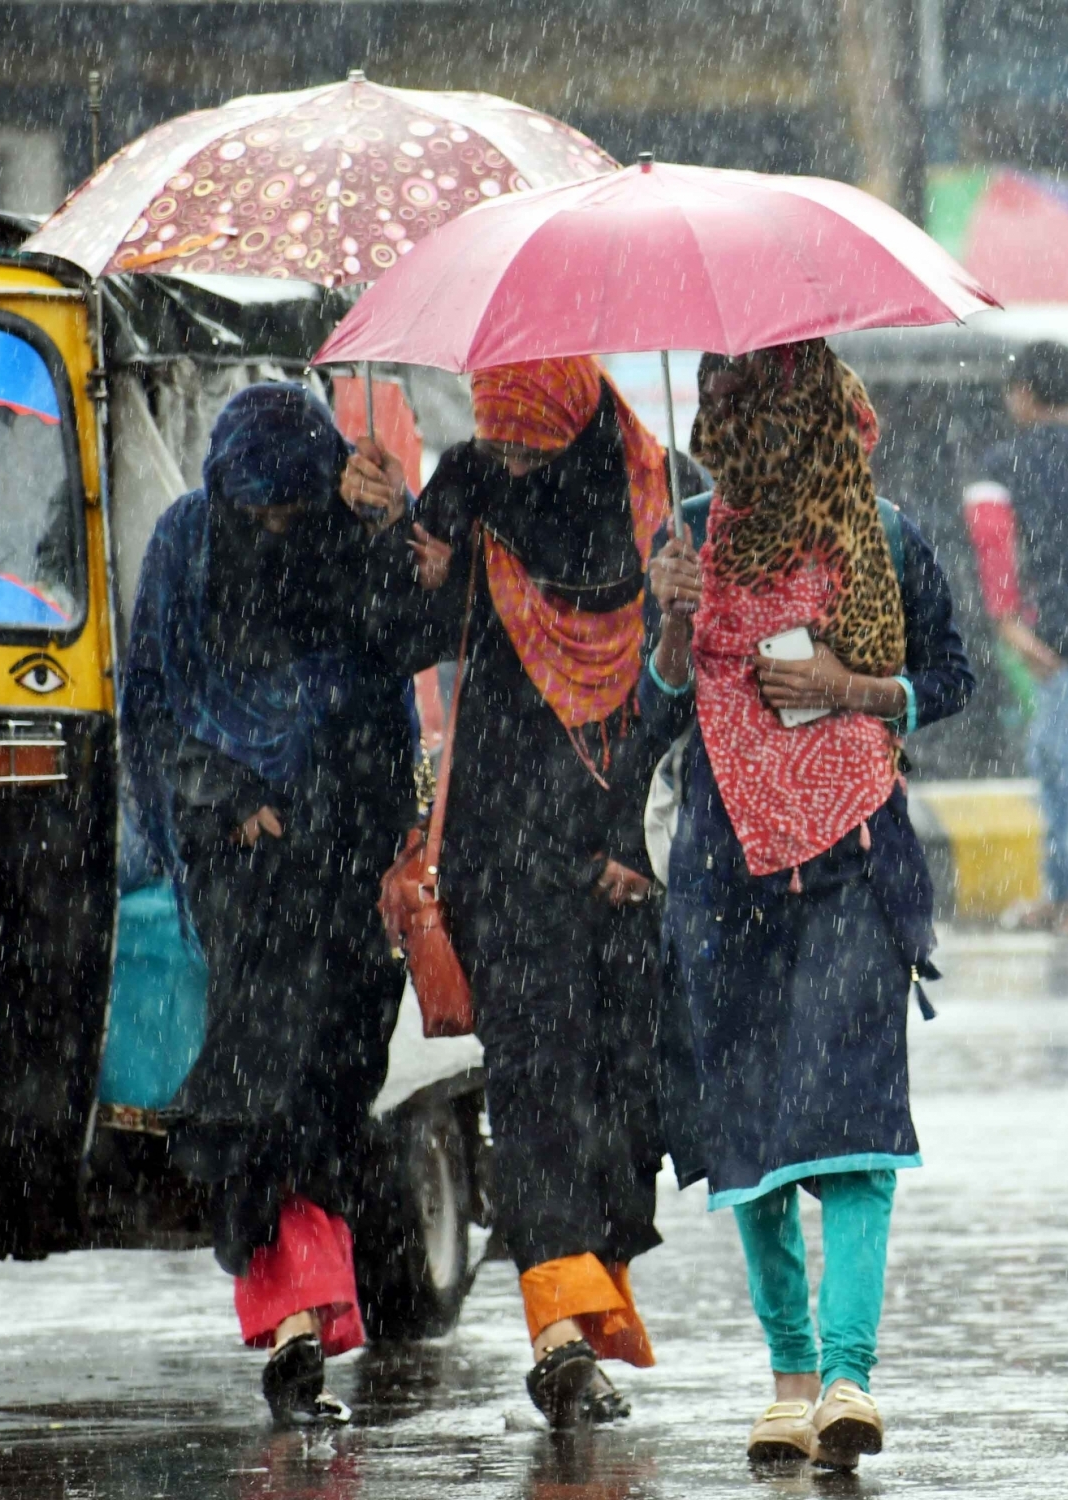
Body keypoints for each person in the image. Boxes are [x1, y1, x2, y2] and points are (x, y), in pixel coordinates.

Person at [346, 357, 696, 1427]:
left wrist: (631, 831)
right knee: (539, 1090)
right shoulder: (470, 484)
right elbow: (398, 638)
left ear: (570, 422)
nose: (505, 456)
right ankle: (555, 1336)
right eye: (492, 436)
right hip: (509, 852)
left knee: (628, 1096)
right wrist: (389, 534)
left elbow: (692, 686)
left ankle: (591, 1306)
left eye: (521, 438)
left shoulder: (667, 496)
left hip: (630, 853)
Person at [644, 342, 974, 1470]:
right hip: (721, 871)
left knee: (851, 1125)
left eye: (760, 410)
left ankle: (845, 1376)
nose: (738, 430)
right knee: (750, 1126)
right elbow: (666, 701)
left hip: (854, 863)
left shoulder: (882, 534)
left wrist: (850, 690)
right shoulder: (688, 535)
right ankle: (788, 1379)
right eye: (724, 409)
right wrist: (665, 619)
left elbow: (949, 680)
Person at [121, 382, 421, 1425]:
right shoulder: (186, 548)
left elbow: (398, 650)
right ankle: (293, 1326)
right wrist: (231, 796)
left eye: (292, 509)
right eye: (261, 516)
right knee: (261, 1088)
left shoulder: (345, 533)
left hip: (344, 858)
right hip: (242, 872)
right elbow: (154, 706)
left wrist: (381, 522)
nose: (275, 531)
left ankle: (311, 1315)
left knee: (332, 1084)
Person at [963, 341, 1068, 930]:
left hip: (1056, 641)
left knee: (1063, 765)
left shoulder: (1002, 464)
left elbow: (994, 545)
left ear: (1022, 395)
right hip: (1067, 637)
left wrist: (1009, 621)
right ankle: (1065, 894)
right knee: (1060, 759)